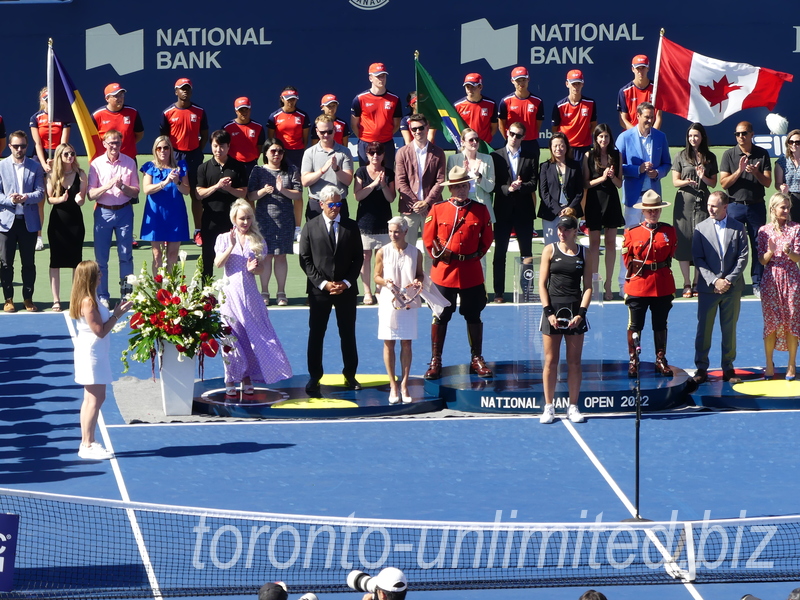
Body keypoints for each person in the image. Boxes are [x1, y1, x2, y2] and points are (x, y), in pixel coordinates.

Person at [215, 199, 292, 397]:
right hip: (229, 296)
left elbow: (260, 270)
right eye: (242, 218)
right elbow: (218, 264)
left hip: (250, 297)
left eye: (249, 218)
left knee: (251, 338)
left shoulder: (257, 240)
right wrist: (230, 247)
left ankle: (246, 378)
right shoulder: (223, 239)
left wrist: (255, 268)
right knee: (230, 339)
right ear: (234, 219)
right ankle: (230, 379)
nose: (245, 222)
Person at [422, 166, 494, 379]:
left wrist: (473, 257)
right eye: (457, 186)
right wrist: (439, 254)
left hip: (471, 271)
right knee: (440, 316)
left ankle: (477, 358)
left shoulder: (480, 210)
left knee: (474, 314)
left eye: (464, 185)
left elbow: (487, 239)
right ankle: (436, 360)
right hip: (445, 272)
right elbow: (429, 239)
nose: (461, 189)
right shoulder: (438, 209)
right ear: (450, 189)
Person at [298, 185, 364, 397]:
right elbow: (305, 260)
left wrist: (346, 282)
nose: (335, 208)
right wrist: (323, 284)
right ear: (321, 204)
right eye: (331, 204)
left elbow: (358, 258)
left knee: (348, 334)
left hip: (346, 290)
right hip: (319, 292)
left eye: (338, 204)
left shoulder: (351, 227)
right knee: (316, 334)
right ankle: (314, 377)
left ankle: (350, 374)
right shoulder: (310, 227)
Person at [69, 260, 132, 459]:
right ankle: (86, 444)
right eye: (97, 272)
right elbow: (100, 331)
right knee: (93, 399)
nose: (101, 275)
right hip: (91, 353)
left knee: (94, 398)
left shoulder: (91, 297)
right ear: (89, 277)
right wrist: (117, 315)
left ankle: (89, 441)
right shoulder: (88, 301)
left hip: (95, 352)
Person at [538, 210, 591, 424]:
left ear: (574, 231)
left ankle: (573, 406)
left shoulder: (584, 253)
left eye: (566, 229)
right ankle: (549, 407)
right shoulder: (549, 250)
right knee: (551, 361)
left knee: (574, 362)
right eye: (560, 229)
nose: (562, 232)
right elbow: (542, 285)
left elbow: (588, 287)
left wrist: (581, 314)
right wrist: (548, 312)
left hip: (575, 313)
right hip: (552, 312)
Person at [691, 191, 749, 386]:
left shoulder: (738, 228)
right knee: (704, 329)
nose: (710, 209)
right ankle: (701, 368)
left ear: (725, 207)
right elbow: (698, 258)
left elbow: (743, 257)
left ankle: (728, 367)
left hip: (731, 289)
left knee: (729, 329)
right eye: (709, 205)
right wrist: (714, 281)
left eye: (714, 206)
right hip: (709, 289)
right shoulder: (700, 228)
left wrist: (728, 281)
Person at [621, 190, 677, 378]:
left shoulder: (669, 231)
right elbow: (627, 258)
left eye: (656, 210)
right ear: (643, 212)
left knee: (660, 324)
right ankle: (633, 360)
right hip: (639, 284)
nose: (653, 213)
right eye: (649, 210)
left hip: (662, 283)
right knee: (635, 325)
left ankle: (660, 359)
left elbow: (670, 255)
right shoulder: (632, 232)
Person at [87, 129, 140, 304]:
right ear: (104, 144)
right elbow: (91, 194)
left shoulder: (130, 162)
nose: (114, 146)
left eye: (117, 143)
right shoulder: (96, 164)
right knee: (101, 258)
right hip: (103, 212)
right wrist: (107, 186)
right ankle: (103, 296)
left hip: (124, 212)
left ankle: (126, 294)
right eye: (111, 143)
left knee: (126, 255)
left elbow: (135, 191)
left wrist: (123, 187)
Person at [374, 217, 423, 403]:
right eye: (390, 232)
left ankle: (404, 384)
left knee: (407, 343)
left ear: (404, 232)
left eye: (396, 232)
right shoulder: (382, 252)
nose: (393, 235)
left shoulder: (416, 253)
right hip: (389, 301)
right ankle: (393, 385)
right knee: (389, 343)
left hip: (408, 301)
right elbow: (376, 276)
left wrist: (418, 280)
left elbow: (419, 274)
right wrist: (385, 282)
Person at [720, 121, 772, 296]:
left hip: (756, 207)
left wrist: (756, 173)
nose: (740, 137)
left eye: (744, 133)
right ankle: (733, 281)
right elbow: (723, 183)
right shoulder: (729, 154)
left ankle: (757, 282)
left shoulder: (762, 154)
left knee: (758, 245)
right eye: (737, 134)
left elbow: (767, 182)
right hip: (735, 207)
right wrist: (740, 171)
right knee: (733, 246)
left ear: (751, 135)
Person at [248, 139, 302, 306]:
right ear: (265, 153)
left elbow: (298, 194)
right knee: (266, 256)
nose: (276, 154)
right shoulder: (258, 171)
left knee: (281, 256)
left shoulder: (291, 170)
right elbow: (251, 196)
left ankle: (281, 292)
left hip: (285, 220)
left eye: (279, 151)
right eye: (273, 151)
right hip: (264, 220)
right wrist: (263, 191)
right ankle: (264, 291)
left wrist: (283, 190)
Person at [491, 122, 538, 303]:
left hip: (524, 212)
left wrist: (520, 187)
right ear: (506, 134)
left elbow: (533, 183)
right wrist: (507, 189)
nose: (514, 138)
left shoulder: (530, 156)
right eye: (512, 134)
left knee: (526, 253)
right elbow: (493, 185)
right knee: (500, 253)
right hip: (502, 211)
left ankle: (527, 292)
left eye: (518, 135)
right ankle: (499, 293)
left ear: (523, 138)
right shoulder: (495, 156)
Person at [160, 78, 208, 246]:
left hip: (194, 157)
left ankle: (198, 231)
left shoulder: (199, 111)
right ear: (176, 92)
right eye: (181, 89)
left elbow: (205, 133)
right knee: (174, 194)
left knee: (196, 195)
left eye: (187, 88)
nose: (185, 91)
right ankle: (172, 231)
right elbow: (164, 138)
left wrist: (196, 150)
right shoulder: (167, 113)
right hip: (175, 157)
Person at [0, 131, 45, 313]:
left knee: (28, 263)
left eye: (23, 146)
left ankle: (28, 298)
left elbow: (40, 192)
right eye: (16, 146)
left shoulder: (35, 167)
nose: (20, 149)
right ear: (9, 146)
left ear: (27, 146)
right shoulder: (1, 166)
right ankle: (8, 299)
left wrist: (25, 197)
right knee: (5, 263)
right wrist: (11, 201)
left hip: (28, 223)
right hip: (6, 223)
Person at [671, 123, 718, 298]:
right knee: (683, 242)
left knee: (700, 242)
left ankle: (698, 282)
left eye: (696, 136)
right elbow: (675, 181)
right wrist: (687, 182)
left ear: (702, 137)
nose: (693, 139)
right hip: (684, 203)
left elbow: (713, 183)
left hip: (703, 202)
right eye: (690, 136)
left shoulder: (710, 157)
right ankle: (686, 283)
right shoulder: (681, 156)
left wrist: (702, 177)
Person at [757, 193, 800, 380]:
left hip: (791, 280)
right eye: (783, 207)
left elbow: (798, 258)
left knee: (792, 322)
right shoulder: (764, 231)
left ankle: (791, 365)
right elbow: (762, 260)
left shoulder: (796, 229)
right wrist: (770, 252)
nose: (786, 210)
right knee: (771, 324)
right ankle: (769, 364)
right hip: (770, 281)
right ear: (773, 208)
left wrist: (790, 252)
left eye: (788, 207)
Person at [196, 130, 248, 280]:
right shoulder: (203, 168)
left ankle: (234, 291)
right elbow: (199, 194)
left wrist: (230, 189)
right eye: (215, 146)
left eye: (222, 146)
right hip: (210, 219)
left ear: (228, 146)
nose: (218, 150)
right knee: (208, 256)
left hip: (232, 220)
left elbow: (243, 193)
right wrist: (217, 186)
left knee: (236, 255)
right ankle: (206, 296)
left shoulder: (238, 167)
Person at [583, 123, 623, 299]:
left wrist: (612, 177)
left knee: (610, 242)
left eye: (606, 136)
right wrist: (602, 177)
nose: (603, 140)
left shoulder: (616, 155)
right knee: (593, 244)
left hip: (611, 200)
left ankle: (608, 283)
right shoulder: (588, 156)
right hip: (594, 201)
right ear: (596, 138)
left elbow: (620, 183)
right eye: (600, 136)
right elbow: (586, 183)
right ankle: (593, 282)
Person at [616, 101, 671, 229]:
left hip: (653, 198)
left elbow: (667, 164)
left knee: (651, 234)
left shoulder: (660, 137)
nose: (650, 120)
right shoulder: (624, 137)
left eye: (652, 117)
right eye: (647, 117)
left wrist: (657, 173)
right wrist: (637, 169)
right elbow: (617, 166)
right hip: (633, 197)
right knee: (631, 235)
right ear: (638, 116)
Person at [139, 136, 190, 274]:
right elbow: (147, 189)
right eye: (159, 148)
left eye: (166, 148)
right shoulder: (149, 167)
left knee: (173, 256)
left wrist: (177, 181)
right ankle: (158, 292)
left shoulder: (180, 167)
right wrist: (165, 182)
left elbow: (186, 191)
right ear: (155, 150)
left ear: (170, 149)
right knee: (157, 256)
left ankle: (171, 291)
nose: (163, 151)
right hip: (156, 216)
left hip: (175, 215)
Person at [395, 113, 446, 247]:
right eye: (414, 129)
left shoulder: (439, 152)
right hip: (409, 210)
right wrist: (417, 204)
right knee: (407, 250)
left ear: (427, 127)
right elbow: (400, 182)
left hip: (432, 208)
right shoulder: (402, 152)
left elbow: (440, 181)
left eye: (421, 128)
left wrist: (427, 203)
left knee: (432, 250)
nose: (418, 132)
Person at [47, 143, 87, 312]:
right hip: (58, 223)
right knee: (55, 262)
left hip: (75, 223)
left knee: (75, 262)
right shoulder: (52, 175)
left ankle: (74, 298)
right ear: (60, 157)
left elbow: (83, 198)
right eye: (66, 154)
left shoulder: (81, 174)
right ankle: (56, 300)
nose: (70, 157)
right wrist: (60, 199)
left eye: (72, 153)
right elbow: (49, 198)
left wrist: (80, 199)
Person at [354, 141, 395, 305]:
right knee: (366, 256)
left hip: (383, 219)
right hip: (365, 221)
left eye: (378, 153)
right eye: (372, 153)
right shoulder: (361, 172)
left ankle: (379, 289)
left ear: (383, 155)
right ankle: (367, 292)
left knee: (382, 257)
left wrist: (383, 184)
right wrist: (373, 184)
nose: (375, 156)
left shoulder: (389, 173)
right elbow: (358, 196)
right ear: (367, 155)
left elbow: (391, 198)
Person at [30, 87, 70, 252]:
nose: (49, 102)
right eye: (46, 99)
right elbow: (37, 144)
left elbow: (63, 142)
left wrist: (57, 161)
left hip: (59, 158)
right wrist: (44, 163)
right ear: (42, 101)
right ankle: (38, 237)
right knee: (40, 202)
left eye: (51, 99)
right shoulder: (35, 118)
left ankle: (61, 236)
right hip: (39, 159)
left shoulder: (64, 118)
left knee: (59, 199)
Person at [301, 114, 354, 221]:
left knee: (341, 237)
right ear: (317, 131)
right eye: (322, 132)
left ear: (334, 130)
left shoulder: (344, 152)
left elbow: (348, 180)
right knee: (315, 237)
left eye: (329, 132)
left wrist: (336, 169)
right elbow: (305, 181)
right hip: (316, 203)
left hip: (339, 203)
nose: (326, 135)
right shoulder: (310, 152)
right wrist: (322, 170)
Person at [351, 63, 402, 167]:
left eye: (383, 76)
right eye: (378, 76)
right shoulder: (360, 98)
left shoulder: (394, 99)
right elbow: (354, 124)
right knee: (365, 176)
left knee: (388, 177)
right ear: (370, 78)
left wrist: (384, 135)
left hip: (386, 143)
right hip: (366, 143)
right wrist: (365, 137)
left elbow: (396, 124)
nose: (381, 79)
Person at [538, 132, 584, 245]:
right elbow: (543, 193)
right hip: (551, 213)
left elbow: (579, 191)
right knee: (551, 247)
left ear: (566, 147)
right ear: (551, 148)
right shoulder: (545, 166)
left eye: (561, 145)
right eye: (555, 146)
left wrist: (570, 209)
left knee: (569, 246)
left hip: (571, 212)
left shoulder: (575, 166)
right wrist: (558, 210)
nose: (558, 148)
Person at [446, 127, 496, 223]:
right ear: (463, 142)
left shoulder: (487, 159)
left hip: (482, 205)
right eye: (471, 140)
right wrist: (464, 175)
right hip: (461, 206)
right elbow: (451, 187)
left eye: (477, 139)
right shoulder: (453, 159)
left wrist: (479, 175)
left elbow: (490, 188)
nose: (475, 142)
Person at [497, 66, 544, 159]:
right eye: (518, 80)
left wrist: (529, 135)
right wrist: (511, 138)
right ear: (512, 81)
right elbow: (501, 125)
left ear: (528, 79)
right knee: (510, 171)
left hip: (531, 143)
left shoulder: (537, 101)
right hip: (512, 142)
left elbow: (537, 124)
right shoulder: (505, 101)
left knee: (532, 172)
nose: (521, 83)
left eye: (524, 80)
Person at [91, 83, 144, 162]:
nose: (120, 98)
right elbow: (92, 138)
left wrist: (127, 145)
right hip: (106, 160)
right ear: (107, 98)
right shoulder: (97, 115)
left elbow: (139, 134)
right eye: (116, 96)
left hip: (129, 159)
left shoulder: (132, 112)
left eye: (121, 95)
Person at [552, 69, 597, 161]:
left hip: (584, 147)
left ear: (582, 84)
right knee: (566, 174)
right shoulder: (559, 106)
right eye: (573, 84)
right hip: (566, 147)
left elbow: (593, 124)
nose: (576, 87)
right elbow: (555, 129)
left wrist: (584, 137)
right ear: (567, 84)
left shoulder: (590, 103)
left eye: (578, 83)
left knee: (584, 174)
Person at [267, 87, 310, 174]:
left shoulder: (303, 116)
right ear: (282, 99)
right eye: (288, 99)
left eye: (293, 99)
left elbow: (305, 137)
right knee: (280, 176)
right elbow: (270, 139)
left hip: (297, 152)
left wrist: (301, 150)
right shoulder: (274, 116)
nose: (291, 102)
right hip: (280, 151)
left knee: (296, 178)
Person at [223, 96, 266, 180]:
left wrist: (254, 159)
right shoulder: (227, 127)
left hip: (251, 165)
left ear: (250, 109)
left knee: (252, 190)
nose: (244, 112)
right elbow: (223, 146)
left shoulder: (258, 127)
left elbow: (259, 146)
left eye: (246, 109)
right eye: (241, 110)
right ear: (236, 110)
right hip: (233, 164)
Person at [617, 54, 662, 130]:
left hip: (651, 135)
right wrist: (637, 135)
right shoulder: (624, 91)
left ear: (648, 68)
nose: (640, 72)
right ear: (632, 69)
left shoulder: (656, 89)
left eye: (643, 68)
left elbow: (658, 117)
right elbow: (623, 120)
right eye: (638, 68)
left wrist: (652, 134)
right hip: (631, 135)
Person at [453, 73, 498, 144]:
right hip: (465, 145)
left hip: (484, 145)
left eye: (473, 87)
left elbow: (494, 127)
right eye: (468, 87)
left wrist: (484, 141)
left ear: (480, 87)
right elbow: (455, 128)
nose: (470, 90)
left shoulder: (491, 104)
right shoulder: (458, 105)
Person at [774, 129, 800, 224]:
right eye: (791, 142)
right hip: (789, 200)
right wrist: (781, 187)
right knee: (790, 228)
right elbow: (777, 183)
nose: (794, 145)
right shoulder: (782, 161)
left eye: (797, 142)